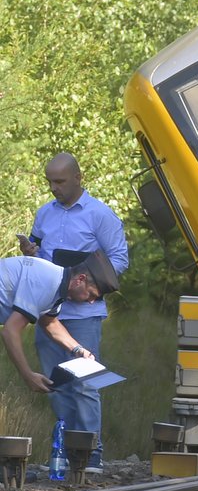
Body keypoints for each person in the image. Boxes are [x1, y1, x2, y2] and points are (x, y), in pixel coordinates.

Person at [19, 153, 128, 474]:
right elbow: (38, 252)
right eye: (50, 181)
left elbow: (120, 260)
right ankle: (66, 450)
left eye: (60, 181)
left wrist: (86, 280)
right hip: (47, 310)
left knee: (84, 383)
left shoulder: (100, 215)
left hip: (84, 314)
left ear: (78, 178)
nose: (54, 188)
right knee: (56, 383)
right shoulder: (44, 214)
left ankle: (91, 451)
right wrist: (30, 252)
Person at [1, 252, 119, 392]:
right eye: (91, 294)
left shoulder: (57, 283)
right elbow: (10, 331)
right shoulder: (47, 283)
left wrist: (78, 349)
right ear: (80, 279)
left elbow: (49, 323)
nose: (91, 301)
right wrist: (28, 376)